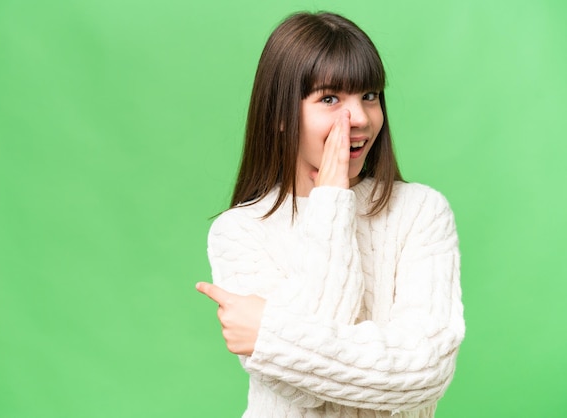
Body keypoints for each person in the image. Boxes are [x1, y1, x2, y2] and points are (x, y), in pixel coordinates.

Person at [196, 11, 464, 418]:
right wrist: (332, 204)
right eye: (330, 98)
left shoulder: (421, 212)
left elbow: (426, 373)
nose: (359, 118)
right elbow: (297, 391)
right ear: (282, 115)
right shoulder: (238, 231)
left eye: (369, 96)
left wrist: (272, 338)